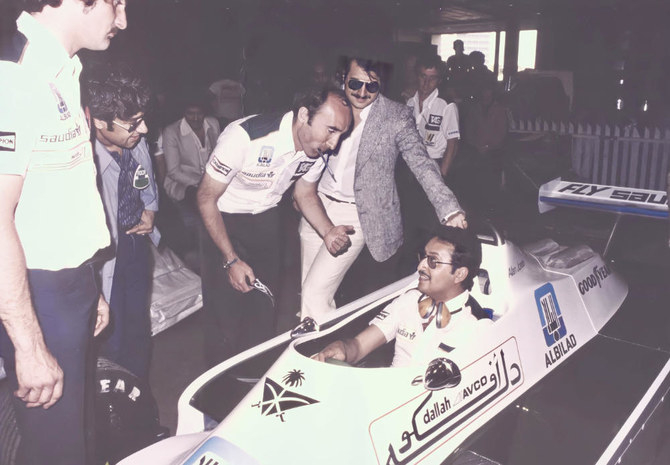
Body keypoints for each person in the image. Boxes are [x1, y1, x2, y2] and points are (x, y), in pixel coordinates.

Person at [0, 1, 126, 464]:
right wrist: (29, 348)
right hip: (36, 292)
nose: (124, 19)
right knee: (56, 449)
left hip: (70, 283)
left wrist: (89, 287)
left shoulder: (64, 70)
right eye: (117, 3)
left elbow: (60, 200)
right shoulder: (14, 78)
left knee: (81, 437)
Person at [297, 56, 467, 325]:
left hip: (354, 215)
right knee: (311, 290)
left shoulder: (396, 116)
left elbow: (422, 163)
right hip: (315, 207)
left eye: (371, 86)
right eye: (354, 83)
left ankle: (324, 352)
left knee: (314, 292)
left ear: (381, 85)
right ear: (343, 79)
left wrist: (449, 208)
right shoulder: (329, 104)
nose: (362, 93)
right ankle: (315, 347)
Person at [197, 85, 353, 364]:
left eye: (341, 133)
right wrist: (231, 261)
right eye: (331, 130)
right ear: (304, 115)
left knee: (262, 310)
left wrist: (328, 231)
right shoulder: (246, 136)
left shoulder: (315, 151)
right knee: (224, 317)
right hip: (223, 221)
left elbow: (305, 194)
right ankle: (214, 396)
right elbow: (206, 197)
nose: (334, 144)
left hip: (266, 220)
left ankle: (253, 381)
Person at [313, 226, 489, 367]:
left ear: (459, 274)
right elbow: (358, 346)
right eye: (423, 257)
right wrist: (342, 348)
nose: (420, 266)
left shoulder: (475, 325)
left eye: (432, 261)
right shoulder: (409, 301)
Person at [83, 62, 160, 381]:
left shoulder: (135, 142)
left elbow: (143, 176)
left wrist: (149, 206)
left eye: (142, 121)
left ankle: (138, 398)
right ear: (99, 121)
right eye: (133, 124)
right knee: (111, 335)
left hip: (135, 244)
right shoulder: (83, 160)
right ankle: (115, 403)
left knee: (138, 326)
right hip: (102, 259)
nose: (142, 131)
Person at [161, 91, 220, 237]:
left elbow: (220, 156)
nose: (195, 118)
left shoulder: (213, 124)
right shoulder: (171, 132)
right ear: (183, 113)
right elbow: (173, 172)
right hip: (183, 185)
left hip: (211, 182)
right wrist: (202, 183)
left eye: (199, 113)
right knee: (201, 215)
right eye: (190, 113)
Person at [407, 54, 460, 177]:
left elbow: (453, 144)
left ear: (439, 80)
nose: (426, 83)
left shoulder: (446, 105)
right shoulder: (409, 102)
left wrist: (441, 176)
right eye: (423, 76)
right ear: (417, 76)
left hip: (435, 164)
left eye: (432, 78)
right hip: (412, 164)